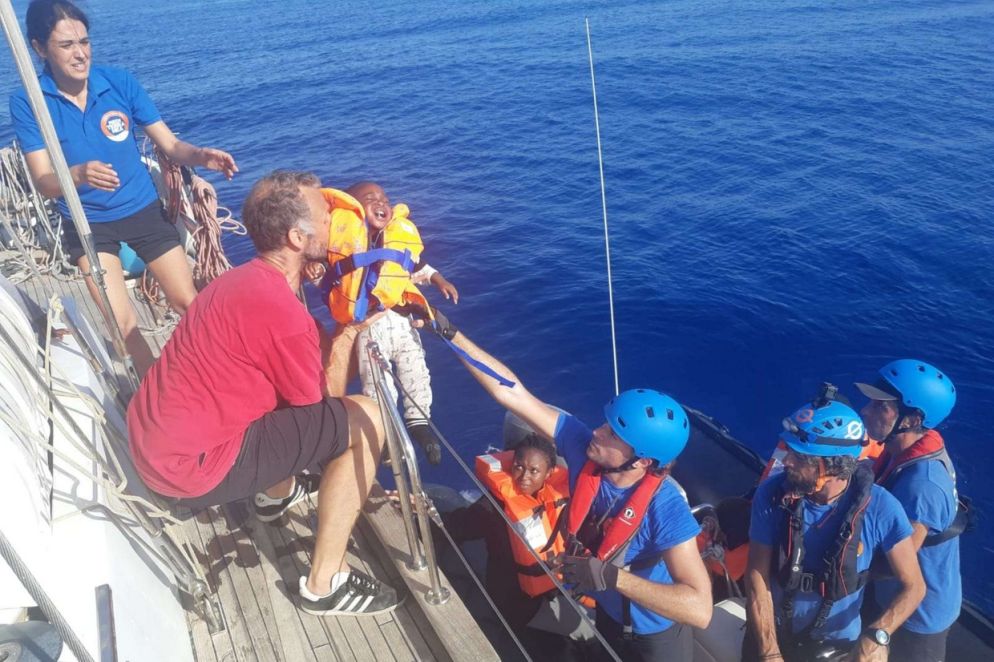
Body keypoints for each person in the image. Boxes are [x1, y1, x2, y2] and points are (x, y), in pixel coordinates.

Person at [126, 171, 401, 616]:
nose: (336, 225)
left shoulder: (239, 281)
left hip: (155, 446)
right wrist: (350, 331)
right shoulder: (282, 313)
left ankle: (275, 496)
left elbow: (284, 372)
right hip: (187, 474)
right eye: (327, 218)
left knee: (274, 391)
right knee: (365, 417)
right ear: (297, 237)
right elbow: (321, 406)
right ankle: (325, 584)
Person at [418, 310, 712, 661]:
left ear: (643, 461)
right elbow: (513, 393)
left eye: (613, 434)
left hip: (656, 636)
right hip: (608, 615)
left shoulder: (665, 508)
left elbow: (700, 609)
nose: (598, 432)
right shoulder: (583, 448)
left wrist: (613, 578)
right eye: (605, 424)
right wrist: (449, 332)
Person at [9, 0, 238, 376]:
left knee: (188, 302)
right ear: (38, 48)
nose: (80, 53)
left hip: (143, 210)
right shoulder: (29, 102)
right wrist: (77, 174)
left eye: (84, 41)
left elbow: (170, 146)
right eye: (66, 45)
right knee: (122, 324)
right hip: (87, 225)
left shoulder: (119, 83)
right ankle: (154, 394)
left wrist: (201, 156)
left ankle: (219, 372)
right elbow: (44, 182)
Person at [744, 397, 925, 662]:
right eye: (789, 451)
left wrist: (878, 634)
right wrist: (769, 652)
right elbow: (757, 576)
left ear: (834, 465)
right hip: (770, 636)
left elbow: (914, 587)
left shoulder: (882, 508)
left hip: (837, 648)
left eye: (801, 457)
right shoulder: (771, 495)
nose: (788, 462)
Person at [320, 182, 458, 463]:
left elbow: (418, 267)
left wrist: (439, 280)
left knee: (416, 368)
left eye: (384, 199)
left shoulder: (398, 237)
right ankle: (383, 432)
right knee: (376, 379)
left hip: (402, 321)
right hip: (369, 324)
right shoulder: (343, 240)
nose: (381, 202)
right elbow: (327, 269)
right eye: (370, 198)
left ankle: (419, 422)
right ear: (354, 206)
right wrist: (315, 267)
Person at [439, 434, 585, 656]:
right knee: (542, 644)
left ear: (549, 473)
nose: (524, 477)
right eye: (518, 467)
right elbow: (458, 526)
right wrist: (421, 510)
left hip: (554, 588)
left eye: (534, 471)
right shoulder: (495, 507)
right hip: (514, 598)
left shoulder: (562, 499)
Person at [856, 360, 962, 661]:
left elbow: (897, 567)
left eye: (880, 407)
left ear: (912, 419)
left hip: (917, 619)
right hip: (886, 596)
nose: (866, 411)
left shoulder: (922, 485)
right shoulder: (900, 452)